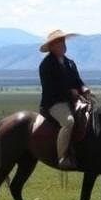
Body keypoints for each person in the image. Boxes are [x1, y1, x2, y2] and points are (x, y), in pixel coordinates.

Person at [38, 29, 90, 169]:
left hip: (72, 100)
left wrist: (84, 88)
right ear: (52, 46)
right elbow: (50, 88)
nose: (63, 44)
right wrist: (70, 93)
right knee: (69, 122)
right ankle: (62, 157)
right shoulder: (46, 65)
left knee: (90, 115)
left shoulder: (70, 63)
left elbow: (77, 80)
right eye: (59, 42)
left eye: (63, 41)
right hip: (54, 103)